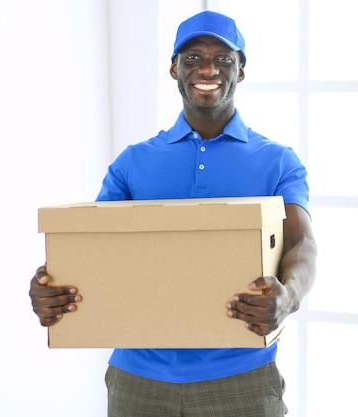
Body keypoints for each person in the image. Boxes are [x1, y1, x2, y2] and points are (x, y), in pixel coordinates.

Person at [29, 10, 317, 416]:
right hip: (138, 380)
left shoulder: (278, 161)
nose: (207, 68)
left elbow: (302, 244)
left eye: (223, 58)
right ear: (173, 68)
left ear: (241, 71)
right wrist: (48, 284)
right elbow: (89, 247)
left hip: (242, 378)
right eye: (193, 57)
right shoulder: (133, 162)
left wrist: (289, 298)